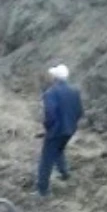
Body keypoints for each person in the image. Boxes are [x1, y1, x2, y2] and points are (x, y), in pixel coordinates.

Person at [36, 64, 84, 197]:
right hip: (70, 130)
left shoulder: (50, 93)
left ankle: (42, 191)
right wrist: (71, 124)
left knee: (46, 160)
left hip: (56, 131)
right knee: (59, 150)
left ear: (55, 78)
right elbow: (80, 112)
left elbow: (49, 113)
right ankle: (64, 173)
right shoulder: (75, 91)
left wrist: (48, 127)